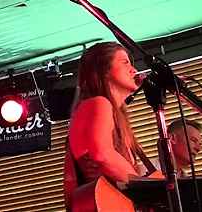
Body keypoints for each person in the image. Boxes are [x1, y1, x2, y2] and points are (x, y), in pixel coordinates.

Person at [63, 42, 156, 209]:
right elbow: (102, 153)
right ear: (104, 71)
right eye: (125, 62)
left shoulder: (108, 112)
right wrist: (143, 190)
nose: (133, 70)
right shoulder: (99, 103)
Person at [138, 119, 202, 178]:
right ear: (172, 138)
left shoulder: (191, 184)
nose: (198, 149)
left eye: (199, 144)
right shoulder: (141, 172)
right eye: (193, 140)